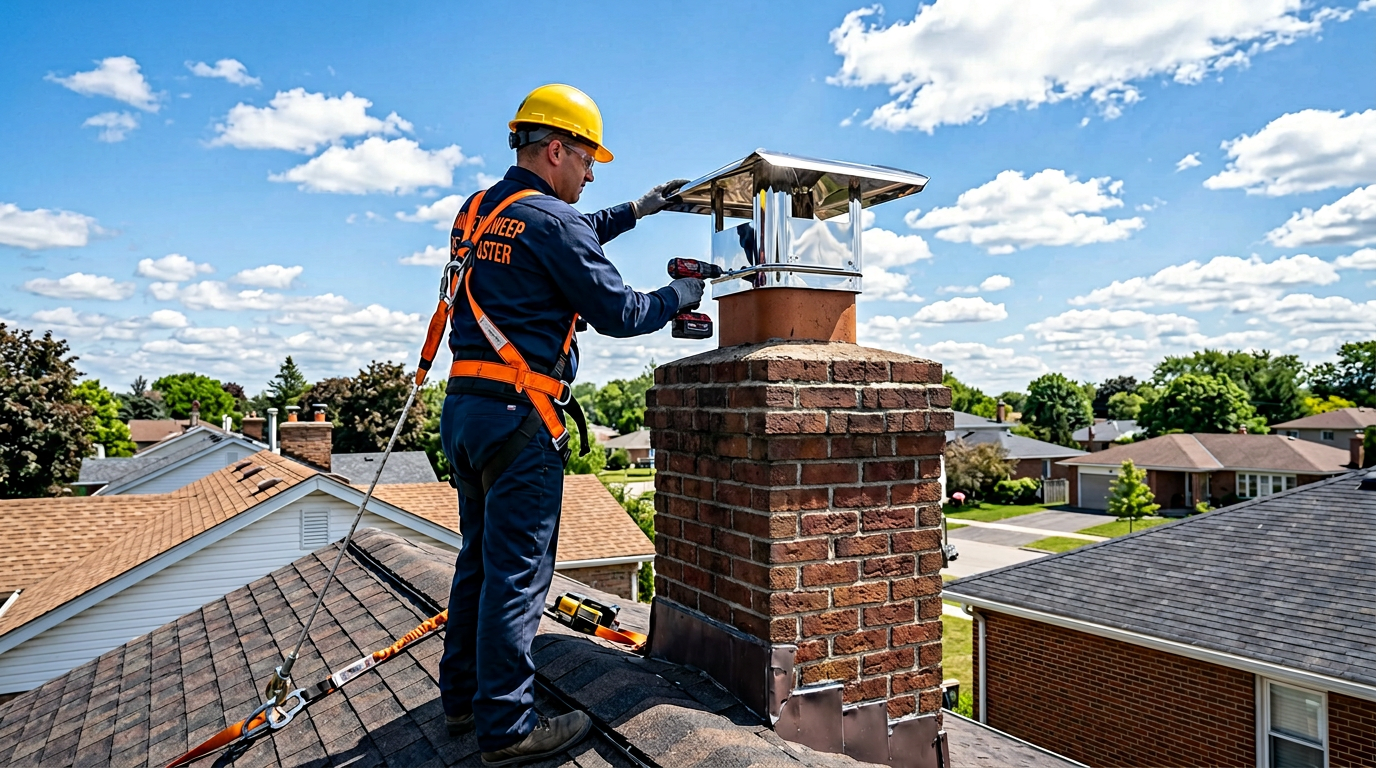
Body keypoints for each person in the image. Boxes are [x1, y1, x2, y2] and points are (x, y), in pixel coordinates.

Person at [437, 83, 703, 766]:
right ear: (556, 148)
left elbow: (558, 231)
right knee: (519, 576)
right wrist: (679, 297)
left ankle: (463, 700)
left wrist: (639, 210)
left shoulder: (480, 210)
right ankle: (507, 729)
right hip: (520, 420)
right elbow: (618, 311)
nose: (591, 173)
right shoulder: (554, 225)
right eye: (588, 160)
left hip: (467, 413)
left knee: (479, 562)